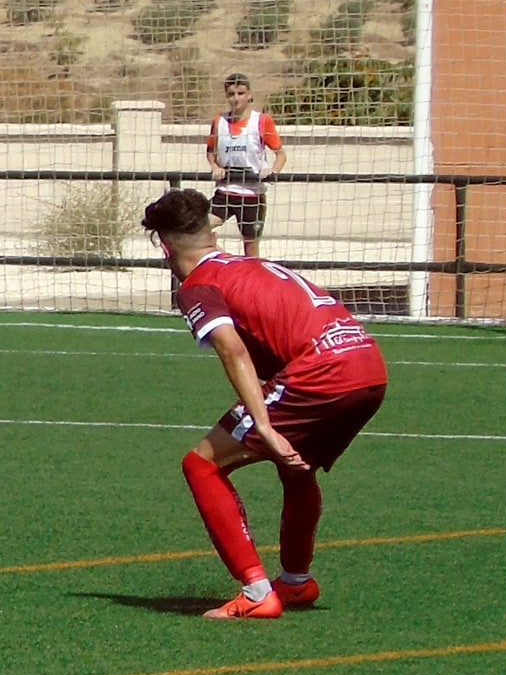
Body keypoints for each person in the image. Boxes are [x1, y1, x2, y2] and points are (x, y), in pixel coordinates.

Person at [141, 188, 387, 619]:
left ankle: (257, 593)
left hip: (323, 372)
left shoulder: (199, 286)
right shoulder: (246, 263)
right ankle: (295, 583)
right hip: (368, 364)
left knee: (201, 464)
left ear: (163, 245)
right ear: (207, 230)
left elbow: (232, 352)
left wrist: (265, 427)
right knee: (297, 466)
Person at [206, 72, 285, 258]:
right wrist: (215, 166)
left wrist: (273, 170)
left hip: (252, 195)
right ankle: (228, 261)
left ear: (249, 95)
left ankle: (251, 278)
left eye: (241, 93)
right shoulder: (219, 122)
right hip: (226, 192)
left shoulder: (262, 121)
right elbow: (210, 152)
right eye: (231, 94)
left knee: (251, 250)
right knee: (198, 229)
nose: (236, 98)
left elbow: (280, 154)